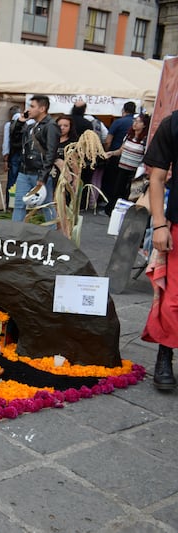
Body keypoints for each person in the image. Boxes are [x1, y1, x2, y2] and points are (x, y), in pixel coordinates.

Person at [140, 110, 178, 390]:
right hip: (176, 224)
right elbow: (156, 177)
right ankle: (165, 352)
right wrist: (159, 224)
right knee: (173, 297)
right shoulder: (173, 123)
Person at [10, 94, 59, 223]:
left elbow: (51, 152)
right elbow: (15, 139)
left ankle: (52, 235)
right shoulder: (31, 126)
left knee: (46, 205)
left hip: (39, 172)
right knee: (19, 204)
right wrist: (20, 121)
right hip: (24, 171)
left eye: (32, 106)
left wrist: (43, 176)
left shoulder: (51, 126)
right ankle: (15, 234)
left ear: (42, 109)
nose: (28, 110)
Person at [103, 113, 151, 215]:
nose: (135, 124)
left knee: (130, 193)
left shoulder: (145, 140)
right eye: (134, 121)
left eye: (138, 122)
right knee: (116, 190)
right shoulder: (129, 135)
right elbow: (121, 150)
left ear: (144, 125)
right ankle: (111, 211)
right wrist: (112, 153)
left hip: (134, 171)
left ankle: (124, 213)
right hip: (122, 167)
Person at [102, 101, 137, 207]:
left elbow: (108, 140)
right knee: (122, 185)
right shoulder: (133, 122)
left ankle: (109, 203)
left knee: (112, 181)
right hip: (129, 160)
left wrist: (107, 152)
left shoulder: (118, 122)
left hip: (116, 157)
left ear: (123, 110)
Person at [2, 105, 23, 209]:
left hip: (13, 154)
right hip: (25, 155)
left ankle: (10, 205)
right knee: (24, 180)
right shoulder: (29, 123)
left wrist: (5, 159)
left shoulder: (8, 124)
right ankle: (23, 205)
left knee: (12, 180)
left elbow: (6, 143)